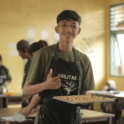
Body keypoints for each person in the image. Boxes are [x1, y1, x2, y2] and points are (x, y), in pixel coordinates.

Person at [23, 10, 95, 124]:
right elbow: (26, 89)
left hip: (73, 118)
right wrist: (45, 85)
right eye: (64, 25)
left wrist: (88, 98)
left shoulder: (84, 60)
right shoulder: (43, 54)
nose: (68, 30)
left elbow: (84, 93)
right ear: (57, 29)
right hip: (47, 117)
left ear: (79, 30)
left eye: (73, 26)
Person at [20, 40, 48, 116]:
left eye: (32, 58)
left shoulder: (50, 68)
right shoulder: (42, 67)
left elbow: (52, 95)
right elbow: (40, 92)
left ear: (34, 54)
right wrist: (31, 107)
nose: (33, 61)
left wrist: (34, 108)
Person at [16, 39, 32, 107]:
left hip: (31, 96)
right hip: (26, 94)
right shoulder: (28, 62)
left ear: (25, 51)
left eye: (19, 52)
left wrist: (29, 95)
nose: (19, 54)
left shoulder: (34, 62)